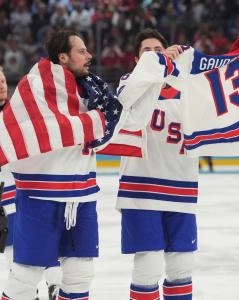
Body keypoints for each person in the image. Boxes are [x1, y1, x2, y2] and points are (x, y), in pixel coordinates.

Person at [0, 29, 122, 300]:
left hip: (82, 195)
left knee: (80, 274)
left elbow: (114, 119)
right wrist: (93, 121)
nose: (89, 56)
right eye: (81, 51)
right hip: (39, 197)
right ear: (63, 57)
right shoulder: (35, 85)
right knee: (25, 276)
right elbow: (46, 129)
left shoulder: (93, 90)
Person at [116, 28, 197, 300]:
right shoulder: (128, 84)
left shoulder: (189, 88)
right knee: (147, 266)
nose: (152, 55)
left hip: (182, 189)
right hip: (140, 190)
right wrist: (159, 67)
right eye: (146, 52)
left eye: (158, 51)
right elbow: (128, 100)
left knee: (181, 268)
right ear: (136, 59)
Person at [0, 66, 61, 300]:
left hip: (30, 192)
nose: (2, 84)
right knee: (15, 258)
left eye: (4, 79)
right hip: (6, 202)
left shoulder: (20, 114)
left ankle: (56, 287)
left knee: (48, 248)